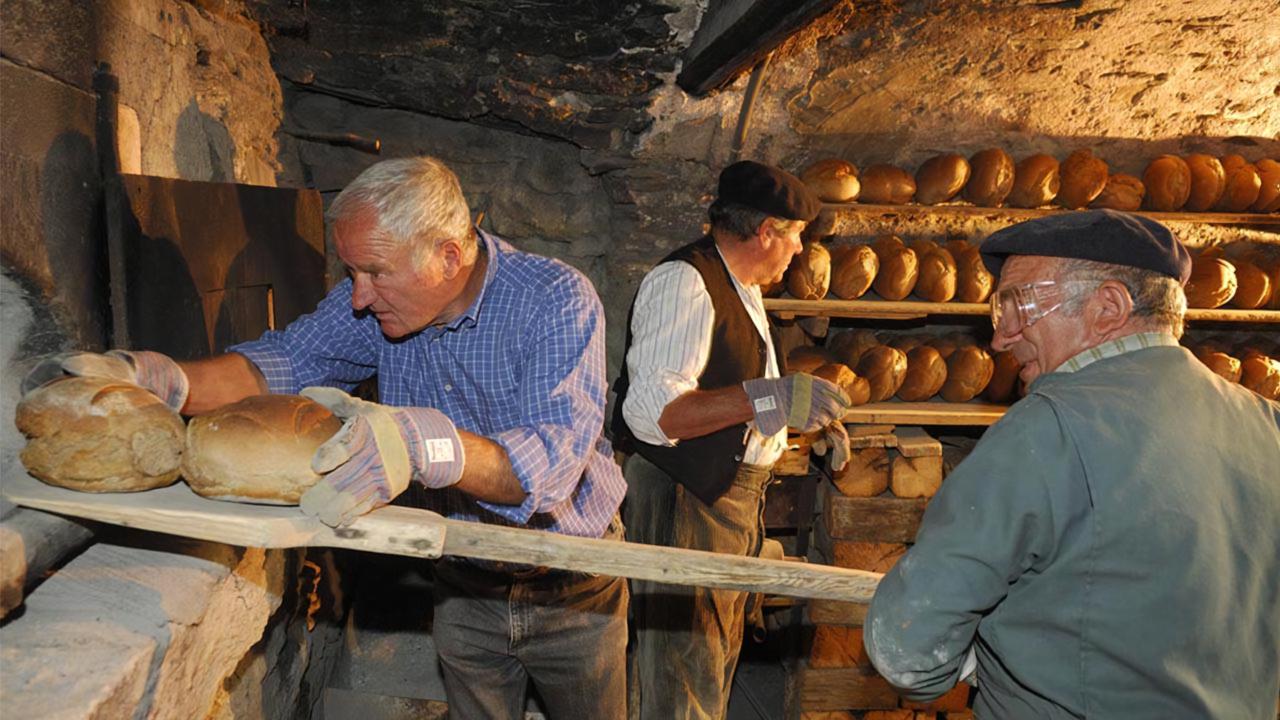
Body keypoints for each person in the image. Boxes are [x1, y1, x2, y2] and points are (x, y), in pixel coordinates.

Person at [23, 156, 629, 720]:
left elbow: (549, 469)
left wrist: (423, 444)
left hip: (570, 585)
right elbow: (285, 361)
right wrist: (165, 381)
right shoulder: (379, 306)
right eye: (351, 271)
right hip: (463, 577)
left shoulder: (553, 298)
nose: (359, 295)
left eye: (375, 273)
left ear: (448, 256)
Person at [863, 209, 1280, 718]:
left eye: (1017, 306)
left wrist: (985, 660)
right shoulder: (1267, 424)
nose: (1001, 338)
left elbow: (905, 647)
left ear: (1108, 306)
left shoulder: (1044, 431)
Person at [612, 160, 854, 719]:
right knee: (684, 674)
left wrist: (801, 423)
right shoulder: (686, 283)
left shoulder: (740, 286)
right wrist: (769, 397)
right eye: (795, 237)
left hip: (726, 497)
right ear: (767, 231)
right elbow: (655, 415)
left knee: (711, 660)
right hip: (685, 498)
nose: (798, 251)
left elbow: (736, 397)